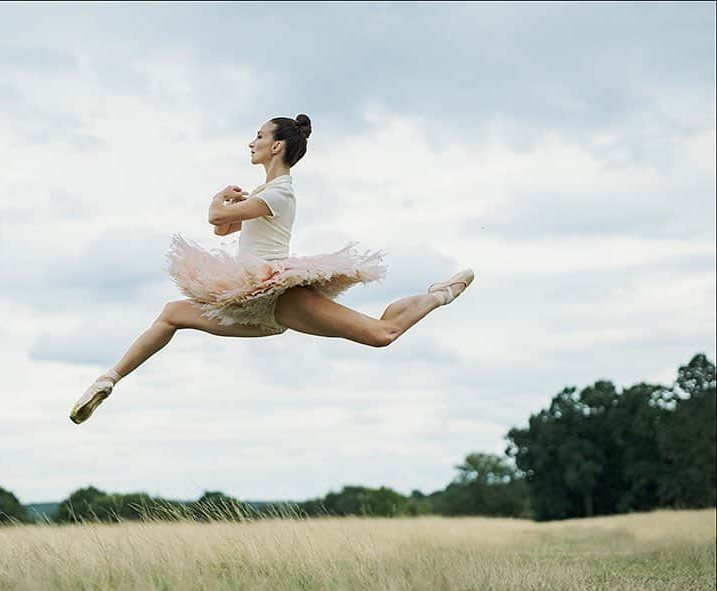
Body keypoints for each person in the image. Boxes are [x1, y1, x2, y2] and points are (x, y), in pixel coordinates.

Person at [70, 114, 473, 424]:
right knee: (171, 314)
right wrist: (228, 208)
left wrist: (219, 200)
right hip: (251, 301)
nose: (252, 142)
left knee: (382, 334)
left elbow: (215, 215)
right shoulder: (266, 191)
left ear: (277, 146)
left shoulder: (281, 191)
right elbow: (225, 226)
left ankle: (440, 293)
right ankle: (108, 380)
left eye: (259, 136)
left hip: (279, 295)